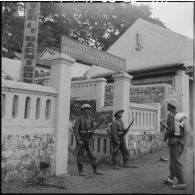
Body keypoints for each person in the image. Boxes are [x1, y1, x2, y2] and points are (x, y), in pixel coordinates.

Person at [73, 104, 103, 176]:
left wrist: (92, 132)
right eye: (86, 109)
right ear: (83, 110)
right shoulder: (79, 119)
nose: (88, 110)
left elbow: (93, 128)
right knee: (80, 155)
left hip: (88, 140)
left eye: (89, 109)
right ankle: (81, 171)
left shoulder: (91, 119)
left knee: (92, 155)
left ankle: (95, 169)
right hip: (81, 140)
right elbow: (76, 130)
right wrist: (78, 140)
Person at [163, 98, 186, 190]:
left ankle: (181, 183)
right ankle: (170, 179)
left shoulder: (170, 115)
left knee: (175, 162)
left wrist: (165, 134)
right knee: (174, 161)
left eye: (168, 104)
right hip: (181, 141)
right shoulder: (178, 115)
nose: (167, 106)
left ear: (170, 106)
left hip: (174, 142)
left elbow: (172, 129)